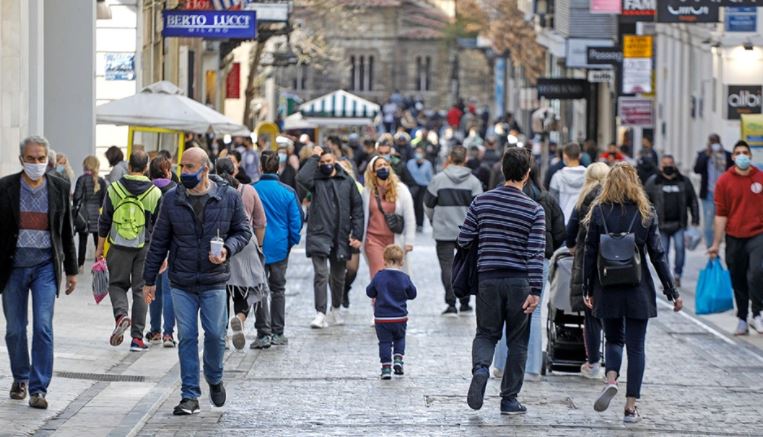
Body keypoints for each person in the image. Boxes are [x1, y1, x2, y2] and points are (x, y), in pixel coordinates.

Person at [142, 147, 252, 416]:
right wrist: (149, 280)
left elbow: (243, 230)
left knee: (215, 334)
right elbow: (159, 241)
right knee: (187, 336)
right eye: (182, 166)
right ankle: (189, 394)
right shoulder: (171, 199)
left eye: (190, 167)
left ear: (205, 168)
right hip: (182, 280)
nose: (184, 172)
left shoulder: (227, 196)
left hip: (215, 280)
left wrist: (228, 248)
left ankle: (214, 377)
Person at [582, 162, 682, 424]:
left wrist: (586, 287)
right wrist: (671, 291)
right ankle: (630, 408)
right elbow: (658, 255)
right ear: (634, 183)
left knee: (614, 340)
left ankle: (611, 378)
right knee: (637, 348)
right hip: (637, 287)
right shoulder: (645, 212)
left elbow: (590, 252)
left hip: (606, 286)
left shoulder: (599, 211)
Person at [460, 146, 545, 415]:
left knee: (486, 333)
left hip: (488, 279)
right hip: (519, 282)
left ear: (502, 170)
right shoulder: (534, 210)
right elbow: (535, 252)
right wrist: (536, 289)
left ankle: (482, 369)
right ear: (527, 175)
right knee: (518, 340)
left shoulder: (481, 202)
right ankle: (509, 399)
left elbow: (464, 240)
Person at [0, 136, 78, 410]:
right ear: (22, 159)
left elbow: (66, 230)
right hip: (13, 268)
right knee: (14, 330)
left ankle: (38, 388)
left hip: (45, 266)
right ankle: (20, 377)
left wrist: (71, 271)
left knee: (43, 327)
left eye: (41, 158)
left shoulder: (58, 187)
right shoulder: (5, 187)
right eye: (31, 159)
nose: (36, 163)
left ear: (48, 159)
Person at [492, 163, 565, 381]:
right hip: (539, 259)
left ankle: (502, 366)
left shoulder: (499, 197)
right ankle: (532, 368)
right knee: (533, 314)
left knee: (506, 313)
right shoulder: (546, 199)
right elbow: (561, 231)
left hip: (510, 258)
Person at [96, 150, 162, 352]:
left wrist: (100, 247)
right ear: (146, 168)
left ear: (129, 166)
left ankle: (121, 315)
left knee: (116, 284)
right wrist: (162, 255)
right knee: (141, 290)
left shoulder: (114, 188)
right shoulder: (155, 192)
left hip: (117, 244)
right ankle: (137, 339)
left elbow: (104, 220)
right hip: (145, 246)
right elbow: (159, 226)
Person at [296, 146, 364, 329]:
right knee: (321, 274)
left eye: (329, 161)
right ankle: (320, 312)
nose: (326, 165)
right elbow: (301, 178)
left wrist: (357, 234)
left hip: (340, 235)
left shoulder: (347, 181)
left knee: (338, 276)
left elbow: (357, 208)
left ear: (334, 161)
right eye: (322, 162)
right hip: (319, 233)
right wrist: (313, 157)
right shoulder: (315, 179)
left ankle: (336, 307)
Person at [708, 141, 763, 335]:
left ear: (750, 155)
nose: (742, 156)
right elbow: (721, 214)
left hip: (758, 234)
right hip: (734, 236)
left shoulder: (760, 178)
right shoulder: (724, 181)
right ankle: (742, 318)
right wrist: (716, 243)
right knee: (737, 278)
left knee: (757, 272)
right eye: (738, 153)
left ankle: (758, 313)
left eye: (745, 152)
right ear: (732, 157)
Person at [215, 158, 268, 350]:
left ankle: (221, 336)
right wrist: (259, 245)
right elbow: (260, 222)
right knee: (246, 289)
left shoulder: (213, 189)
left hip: (219, 245)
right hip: (245, 244)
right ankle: (239, 318)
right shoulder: (248, 190)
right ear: (234, 170)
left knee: (220, 291)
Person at [425, 145, 483, 316]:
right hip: (467, 231)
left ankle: (451, 303)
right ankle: (464, 301)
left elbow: (428, 205)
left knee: (447, 266)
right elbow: (479, 207)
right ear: (465, 159)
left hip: (443, 229)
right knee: (466, 265)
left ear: (449, 158)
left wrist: (433, 219)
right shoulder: (474, 182)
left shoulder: (438, 179)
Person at [566, 162, 610, 379]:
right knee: (612, 313)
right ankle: (612, 363)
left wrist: (573, 247)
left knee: (591, 314)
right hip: (614, 262)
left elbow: (570, 232)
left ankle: (593, 363)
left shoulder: (583, 198)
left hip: (588, 260)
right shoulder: (614, 197)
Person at [255, 151, 303, 344]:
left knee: (259, 289)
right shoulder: (288, 192)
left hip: (257, 247)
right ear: (278, 168)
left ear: (260, 167)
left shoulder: (252, 189)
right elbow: (296, 222)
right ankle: (278, 332)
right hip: (280, 246)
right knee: (278, 289)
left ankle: (263, 333)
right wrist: (290, 242)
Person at [644, 155, 700, 288]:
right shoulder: (653, 182)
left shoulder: (684, 181)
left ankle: (677, 275)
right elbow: (645, 201)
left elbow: (693, 200)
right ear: (660, 166)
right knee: (663, 252)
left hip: (679, 224)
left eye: (670, 163)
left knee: (680, 249)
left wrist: (695, 219)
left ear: (674, 164)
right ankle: (667, 278)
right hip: (661, 225)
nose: (668, 166)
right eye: (665, 164)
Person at [366, 245, 417, 380]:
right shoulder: (404, 278)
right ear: (401, 262)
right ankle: (399, 359)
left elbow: (369, 292)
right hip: (400, 317)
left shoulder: (379, 276)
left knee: (385, 342)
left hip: (382, 318)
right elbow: (413, 294)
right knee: (400, 338)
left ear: (384, 260)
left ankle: (386, 368)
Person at [362, 156, 416, 279]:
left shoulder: (401, 189)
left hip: (395, 241)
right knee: (379, 277)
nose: (383, 168)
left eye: (386, 165)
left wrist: (409, 241)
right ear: (373, 172)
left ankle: (391, 299)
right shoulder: (367, 191)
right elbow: (362, 215)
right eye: (379, 166)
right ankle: (377, 299)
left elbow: (409, 216)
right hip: (373, 240)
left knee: (395, 278)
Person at [144, 156, 177, 347]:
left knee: (152, 288)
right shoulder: (175, 190)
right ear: (167, 171)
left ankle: (154, 330)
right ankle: (168, 334)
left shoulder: (146, 190)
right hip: (172, 245)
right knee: (168, 290)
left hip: (150, 244)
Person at [693, 134, 733, 247]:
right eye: (712, 142)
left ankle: (720, 243)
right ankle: (711, 248)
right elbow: (697, 169)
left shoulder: (727, 155)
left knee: (725, 221)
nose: (714, 144)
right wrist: (707, 155)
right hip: (709, 193)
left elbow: (733, 170)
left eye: (716, 141)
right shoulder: (703, 154)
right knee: (709, 223)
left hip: (724, 194)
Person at [335, 159, 363, 308]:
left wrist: (358, 233)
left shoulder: (357, 186)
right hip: (336, 232)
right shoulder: (331, 184)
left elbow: (361, 211)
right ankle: (337, 297)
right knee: (336, 269)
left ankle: (345, 288)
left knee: (352, 269)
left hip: (352, 232)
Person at [73, 156, 107, 272]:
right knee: (98, 242)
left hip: (84, 216)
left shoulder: (81, 179)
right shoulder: (101, 181)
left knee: (83, 241)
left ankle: (81, 265)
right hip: (97, 215)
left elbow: (77, 198)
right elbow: (104, 200)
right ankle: (97, 265)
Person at [550, 143, 586, 224]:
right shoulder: (588, 176)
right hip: (582, 222)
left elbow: (553, 203)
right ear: (579, 155)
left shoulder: (557, 177)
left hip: (563, 222)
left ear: (565, 156)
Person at [406, 145, 433, 232]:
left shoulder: (428, 164)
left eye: (420, 152)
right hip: (412, 186)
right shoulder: (410, 163)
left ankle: (420, 224)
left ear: (424, 154)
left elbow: (430, 178)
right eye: (417, 152)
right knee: (411, 205)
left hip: (423, 187)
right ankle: (411, 223)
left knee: (420, 205)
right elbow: (407, 175)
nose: (418, 154)